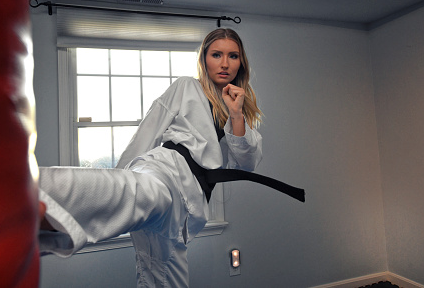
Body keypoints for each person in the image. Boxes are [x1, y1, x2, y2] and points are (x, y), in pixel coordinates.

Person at [38, 28, 263, 287]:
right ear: (204, 59)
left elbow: (247, 163)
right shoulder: (186, 86)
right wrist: (121, 174)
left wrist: (236, 114)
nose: (225, 63)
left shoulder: (242, 115)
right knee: (135, 192)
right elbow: (150, 128)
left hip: (188, 204)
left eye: (233, 56)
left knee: (164, 274)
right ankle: (34, 194)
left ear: (241, 62)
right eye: (216, 55)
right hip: (165, 170)